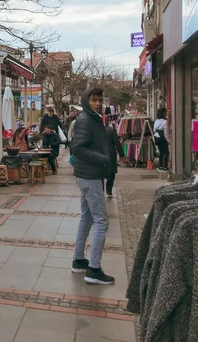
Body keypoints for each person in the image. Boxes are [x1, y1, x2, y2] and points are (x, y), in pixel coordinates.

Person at [71, 87, 115, 285]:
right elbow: (77, 148)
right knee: (101, 221)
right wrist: (103, 159)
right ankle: (94, 270)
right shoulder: (86, 120)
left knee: (87, 217)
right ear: (86, 100)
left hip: (88, 174)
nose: (98, 103)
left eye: (100, 100)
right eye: (94, 100)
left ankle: (79, 260)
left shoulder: (92, 117)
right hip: (90, 175)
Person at [105, 126, 125, 196]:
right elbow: (117, 142)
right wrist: (121, 154)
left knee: (100, 171)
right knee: (111, 171)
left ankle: (101, 188)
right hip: (110, 152)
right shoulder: (111, 129)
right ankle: (109, 189)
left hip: (100, 151)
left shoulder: (97, 129)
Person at [153, 107, 170, 171]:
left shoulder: (156, 120)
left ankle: (160, 166)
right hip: (163, 137)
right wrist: (169, 140)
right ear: (164, 113)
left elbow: (154, 130)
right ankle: (165, 167)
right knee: (166, 152)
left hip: (157, 137)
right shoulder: (165, 121)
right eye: (166, 112)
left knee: (161, 152)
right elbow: (166, 132)